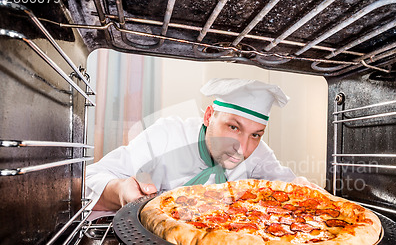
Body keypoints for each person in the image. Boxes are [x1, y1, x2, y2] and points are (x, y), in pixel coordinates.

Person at [86, 78, 315, 211]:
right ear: (208, 116)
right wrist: (120, 191)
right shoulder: (167, 135)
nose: (243, 150)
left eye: (256, 135)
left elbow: (290, 187)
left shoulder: (259, 154)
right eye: (233, 127)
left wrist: (300, 186)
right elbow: (88, 181)